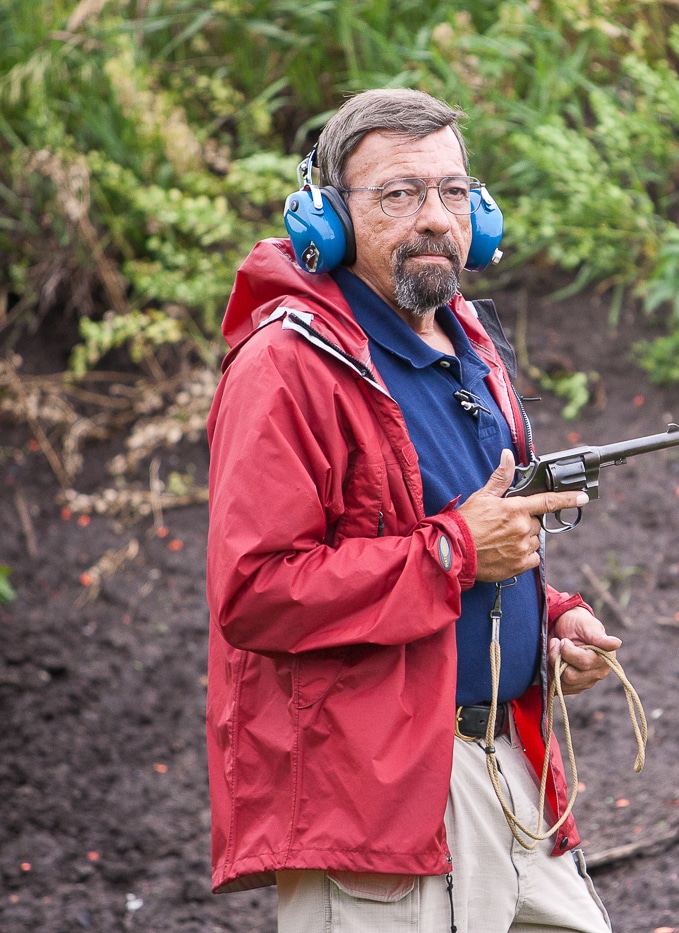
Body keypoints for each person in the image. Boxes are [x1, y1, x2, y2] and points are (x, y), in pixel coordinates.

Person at [205, 88, 619, 932]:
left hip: (510, 765)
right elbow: (255, 592)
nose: (435, 217)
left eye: (454, 192)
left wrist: (550, 621)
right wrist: (457, 551)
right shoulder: (284, 367)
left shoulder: (466, 339)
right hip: (377, 794)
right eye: (399, 194)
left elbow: (477, 534)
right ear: (326, 217)